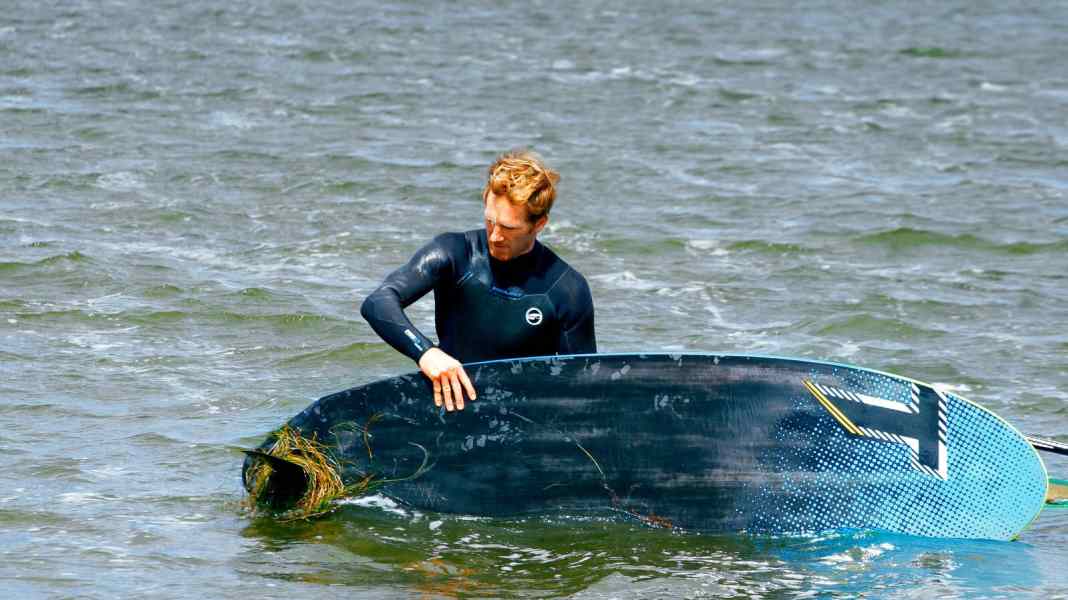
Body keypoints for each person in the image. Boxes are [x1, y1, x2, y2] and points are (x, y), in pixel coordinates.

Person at [361, 149, 596, 412]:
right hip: (451, 406)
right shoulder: (453, 253)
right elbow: (378, 302)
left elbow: (581, 386)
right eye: (489, 221)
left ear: (539, 224)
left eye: (508, 228)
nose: (495, 236)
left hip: (523, 416)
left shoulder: (567, 289)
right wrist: (426, 353)